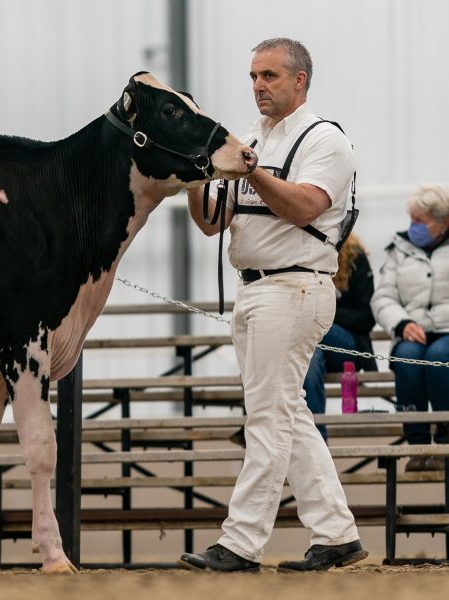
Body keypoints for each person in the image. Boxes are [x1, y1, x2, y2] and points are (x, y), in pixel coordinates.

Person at [180, 38, 366, 572]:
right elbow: (214, 222)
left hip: (295, 288)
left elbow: (306, 206)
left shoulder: (325, 139)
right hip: (255, 289)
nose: (258, 86)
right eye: (253, 77)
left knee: (267, 417)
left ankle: (241, 542)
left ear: (299, 80)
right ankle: (336, 533)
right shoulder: (254, 138)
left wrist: (251, 171)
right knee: (288, 413)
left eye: (270, 76)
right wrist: (196, 178)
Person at [371, 184, 449, 472]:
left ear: (443, 222)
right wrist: (402, 323)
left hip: (446, 333)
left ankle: (444, 444)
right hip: (411, 331)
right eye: (411, 219)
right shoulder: (399, 248)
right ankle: (417, 445)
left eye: (420, 220)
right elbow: (383, 297)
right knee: (406, 358)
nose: (412, 226)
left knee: (439, 357)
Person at [303, 233, 378, 441]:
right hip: (310, 344)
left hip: (348, 345)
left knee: (308, 328)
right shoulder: (298, 254)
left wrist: (325, 313)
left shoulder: (355, 257)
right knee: (310, 356)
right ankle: (316, 443)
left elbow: (367, 318)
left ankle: (311, 439)